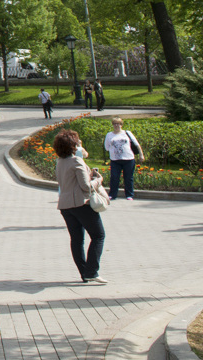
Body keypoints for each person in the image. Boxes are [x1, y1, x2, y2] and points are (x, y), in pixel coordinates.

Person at [54, 129, 108, 284]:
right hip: (80, 204)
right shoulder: (76, 161)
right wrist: (98, 180)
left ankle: (85, 272)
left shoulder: (60, 162)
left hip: (65, 206)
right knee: (98, 235)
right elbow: (85, 187)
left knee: (77, 240)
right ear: (72, 144)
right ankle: (91, 271)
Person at [103, 118, 144, 200]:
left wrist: (141, 155)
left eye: (118, 124)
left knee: (128, 177)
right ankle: (112, 194)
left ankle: (129, 195)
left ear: (121, 125)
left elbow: (136, 144)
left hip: (128, 159)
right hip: (115, 160)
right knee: (114, 177)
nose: (116, 125)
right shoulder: (109, 135)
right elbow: (107, 147)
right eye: (114, 124)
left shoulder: (127, 133)